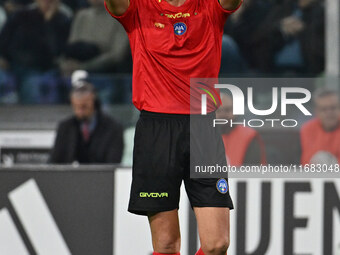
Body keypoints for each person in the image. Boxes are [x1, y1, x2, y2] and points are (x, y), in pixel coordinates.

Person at [104, 0, 242, 254]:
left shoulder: (209, 6)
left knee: (217, 244)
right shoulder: (139, 8)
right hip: (156, 130)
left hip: (203, 130)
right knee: (166, 244)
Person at [50, 75, 124, 164]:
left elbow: (113, 164)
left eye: (84, 106)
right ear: (72, 102)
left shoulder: (114, 128)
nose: (81, 99)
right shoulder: (65, 128)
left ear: (94, 100)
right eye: (77, 107)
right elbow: (53, 163)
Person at [60, 0, 129, 77]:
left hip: (106, 75)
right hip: (74, 74)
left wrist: (83, 67)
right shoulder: (81, 16)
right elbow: (70, 49)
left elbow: (117, 55)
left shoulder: (121, 18)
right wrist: (65, 65)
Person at [216, 93, 266, 166]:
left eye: (227, 110)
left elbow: (253, 172)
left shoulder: (249, 137)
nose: (222, 114)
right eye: (218, 111)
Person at [300, 88, 340, 165]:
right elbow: (307, 161)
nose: (329, 113)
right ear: (317, 111)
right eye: (324, 109)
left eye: (333, 108)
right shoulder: (308, 129)